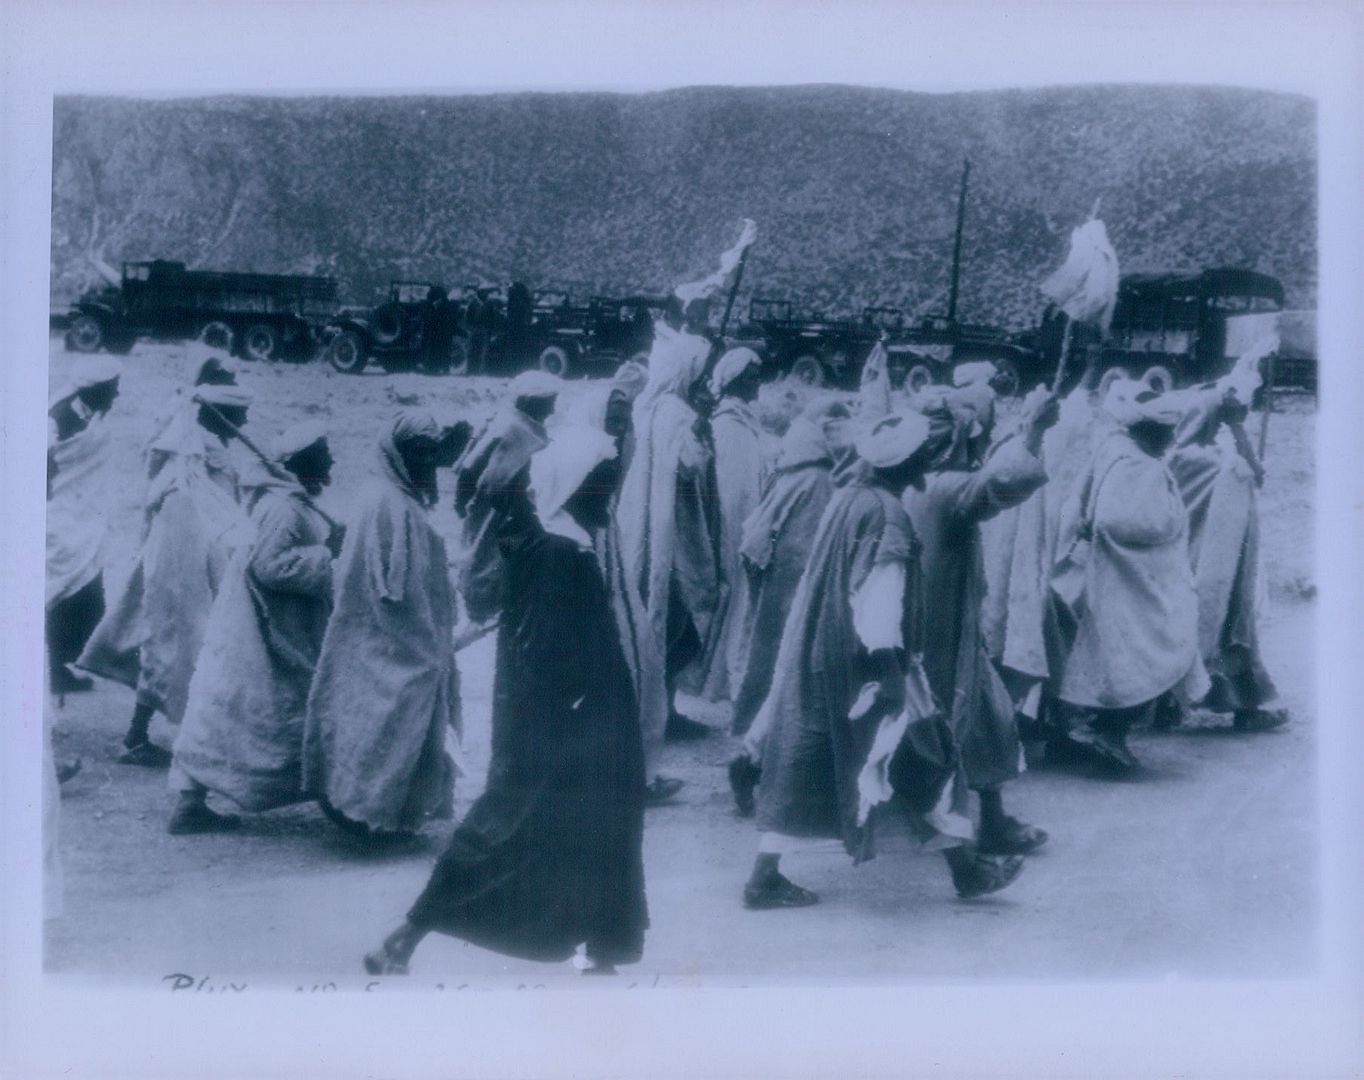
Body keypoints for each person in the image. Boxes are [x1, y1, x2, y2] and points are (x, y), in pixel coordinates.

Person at [363, 425, 647, 976]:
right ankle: (406, 935)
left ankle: (604, 945)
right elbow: (545, 649)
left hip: (580, 717)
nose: (609, 497)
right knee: (511, 825)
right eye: (601, 487)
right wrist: (575, 712)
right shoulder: (561, 553)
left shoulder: (558, 544)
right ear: (577, 489)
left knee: (594, 828)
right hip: (572, 722)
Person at [744, 412, 1023, 910]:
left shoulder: (850, 498)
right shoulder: (887, 515)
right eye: (923, 455)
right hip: (874, 663)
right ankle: (965, 870)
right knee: (928, 756)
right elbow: (879, 599)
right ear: (913, 461)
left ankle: (966, 869)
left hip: (831, 653)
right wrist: (893, 675)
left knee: (838, 763)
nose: (929, 461)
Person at [167, 423, 342, 834]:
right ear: (299, 462)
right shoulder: (283, 507)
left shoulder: (291, 502)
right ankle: (192, 803)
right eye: (323, 453)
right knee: (253, 707)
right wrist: (326, 554)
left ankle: (192, 800)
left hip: (273, 622)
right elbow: (270, 566)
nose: (331, 460)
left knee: (235, 709)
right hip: (263, 628)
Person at [903, 385, 1057, 855]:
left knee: (986, 717)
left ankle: (988, 819)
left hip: (933, 628)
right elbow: (1002, 485)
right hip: (940, 634)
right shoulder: (945, 489)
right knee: (955, 722)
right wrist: (1033, 428)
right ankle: (964, 835)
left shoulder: (908, 483)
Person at [77, 383, 253, 766]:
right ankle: (154, 741)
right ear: (218, 415)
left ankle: (142, 736)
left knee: (169, 647)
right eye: (241, 414)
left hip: (186, 562)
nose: (247, 421)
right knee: (176, 646)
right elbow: (198, 518)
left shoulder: (203, 450)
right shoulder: (190, 461)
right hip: (181, 567)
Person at [303, 411, 459, 838]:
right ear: (398, 453)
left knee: (397, 724)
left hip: (404, 632)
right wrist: (424, 640)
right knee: (384, 720)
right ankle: (365, 812)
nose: (427, 463)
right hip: (388, 636)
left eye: (432, 454)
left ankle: (393, 812)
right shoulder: (385, 502)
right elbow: (389, 588)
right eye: (419, 454)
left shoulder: (400, 498)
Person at [1051, 379, 1209, 773]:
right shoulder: (1139, 466)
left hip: (1115, 572)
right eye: (1167, 432)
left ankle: (1084, 729)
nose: (1172, 439)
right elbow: (1117, 519)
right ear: (1150, 430)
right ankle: (1109, 732)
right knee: (1144, 651)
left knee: (1108, 654)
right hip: (1127, 579)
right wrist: (1171, 521)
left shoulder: (1114, 448)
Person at [558, 367, 685, 804]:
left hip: (610, 564)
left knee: (639, 665)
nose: (621, 427)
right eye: (613, 418)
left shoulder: (615, 458)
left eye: (625, 418)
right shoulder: (576, 462)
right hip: (582, 577)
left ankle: (634, 773)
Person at [726, 398, 855, 815]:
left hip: (775, 596)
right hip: (797, 597)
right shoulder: (818, 483)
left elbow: (754, 540)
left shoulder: (791, 475)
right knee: (794, 681)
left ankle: (753, 759)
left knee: (769, 674)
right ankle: (761, 768)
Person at [617, 309, 722, 741]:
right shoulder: (678, 415)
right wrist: (701, 432)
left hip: (638, 527)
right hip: (668, 536)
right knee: (671, 625)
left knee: (652, 622)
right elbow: (689, 467)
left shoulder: (646, 406)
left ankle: (659, 709)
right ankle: (657, 714)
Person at [1167, 385, 1288, 732]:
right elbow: (1257, 472)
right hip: (1217, 566)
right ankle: (1245, 707)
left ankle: (1166, 705)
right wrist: (1238, 429)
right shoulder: (1221, 464)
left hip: (1180, 563)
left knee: (1173, 626)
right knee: (1225, 626)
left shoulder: (1171, 457)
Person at [453, 371, 563, 625]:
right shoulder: (512, 428)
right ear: (530, 402)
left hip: (510, 505)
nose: (553, 406)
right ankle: (479, 610)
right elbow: (470, 467)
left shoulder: (528, 427)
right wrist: (466, 502)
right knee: (484, 553)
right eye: (549, 400)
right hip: (496, 505)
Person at [46, 355, 123, 694]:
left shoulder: (96, 413)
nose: (117, 396)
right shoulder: (58, 418)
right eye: (113, 390)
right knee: (56, 589)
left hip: (84, 518)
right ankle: (52, 669)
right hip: (59, 517)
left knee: (86, 588)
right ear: (95, 390)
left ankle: (64, 663)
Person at [697, 347, 768, 703]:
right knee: (735, 598)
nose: (759, 382)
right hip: (735, 526)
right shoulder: (728, 425)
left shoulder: (745, 421)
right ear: (738, 381)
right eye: (753, 376)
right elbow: (733, 488)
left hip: (749, 523)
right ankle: (721, 677)